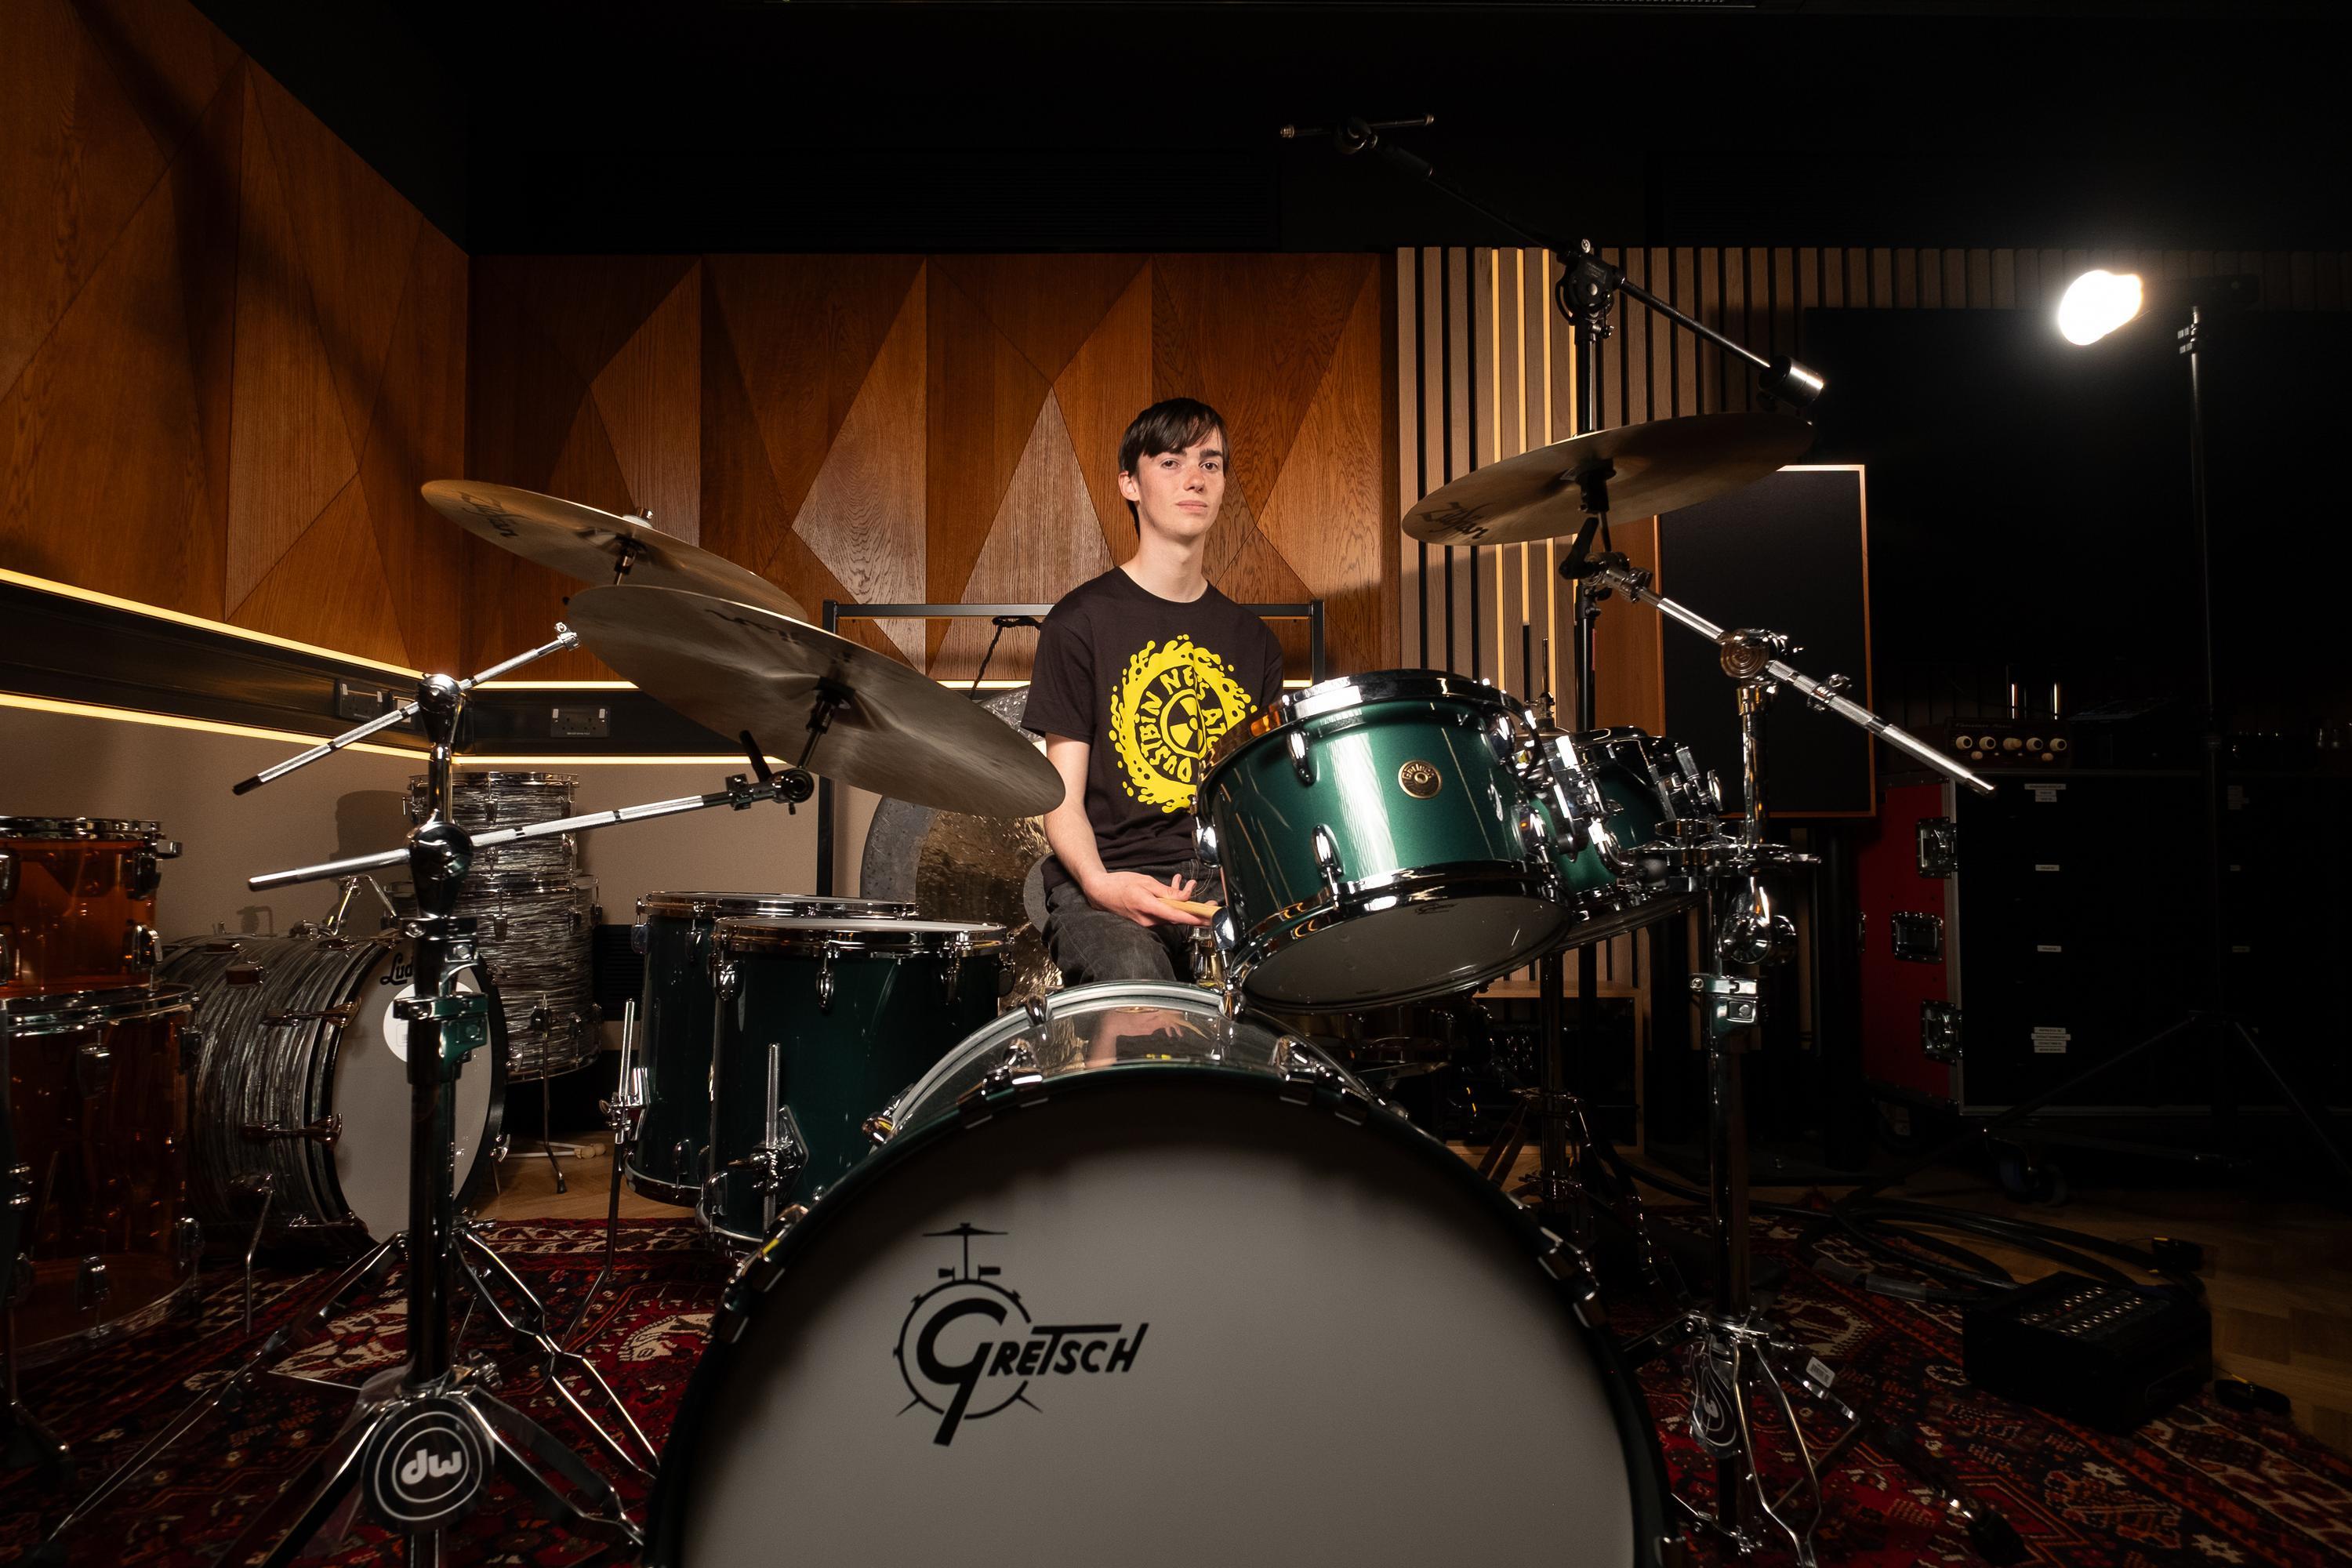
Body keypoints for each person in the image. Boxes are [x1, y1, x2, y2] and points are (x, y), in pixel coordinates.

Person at [1022, 397, 1286, 986]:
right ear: (1130, 485)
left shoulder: (1255, 642)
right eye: (1171, 462)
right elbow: (1058, 800)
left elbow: (1258, 806)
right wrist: (1098, 883)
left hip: (1220, 889)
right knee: (1144, 1004)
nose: (1195, 478)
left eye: (1211, 465)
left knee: (1297, 994)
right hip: (1110, 880)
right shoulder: (1079, 623)